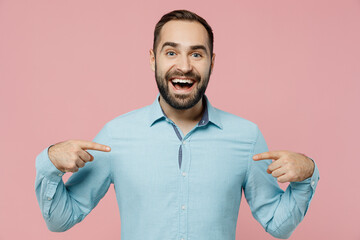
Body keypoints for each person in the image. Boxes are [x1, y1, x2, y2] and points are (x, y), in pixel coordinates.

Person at [35, 9, 319, 240]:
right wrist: (49, 162)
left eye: (197, 54)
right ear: (152, 59)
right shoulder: (116, 135)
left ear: (212, 62)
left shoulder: (246, 137)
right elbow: (61, 219)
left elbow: (278, 225)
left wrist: (308, 173)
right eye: (171, 52)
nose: (184, 66)